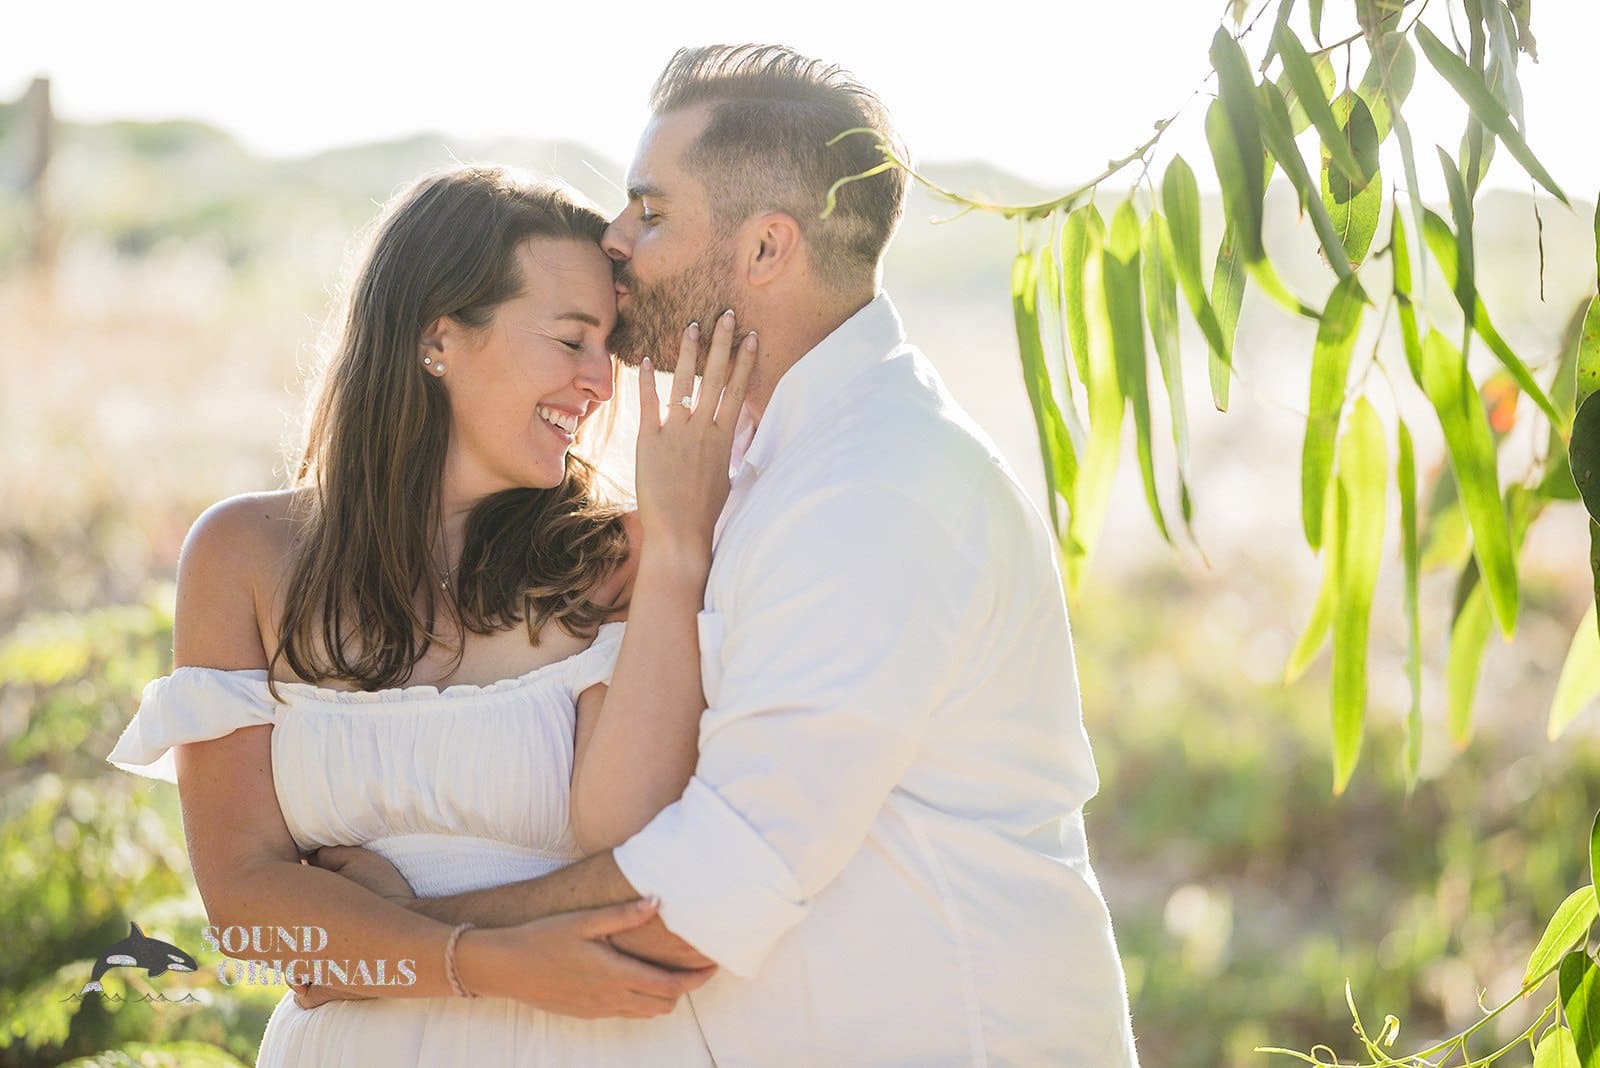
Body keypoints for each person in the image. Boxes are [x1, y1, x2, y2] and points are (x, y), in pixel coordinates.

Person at [310, 44, 1141, 1066]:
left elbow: (709, 889)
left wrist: (399, 938)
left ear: (765, 248)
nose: (614, 239)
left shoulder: (873, 489)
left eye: (651, 212)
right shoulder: (750, 468)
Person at [105, 164, 753, 1065]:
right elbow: (247, 910)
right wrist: (492, 962)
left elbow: (637, 848)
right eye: (572, 340)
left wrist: (380, 930)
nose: (601, 381)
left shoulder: (625, 559)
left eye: (608, 346)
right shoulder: (243, 556)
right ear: (437, 336)